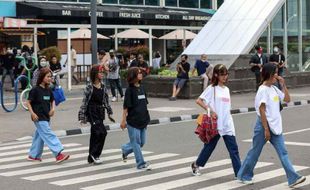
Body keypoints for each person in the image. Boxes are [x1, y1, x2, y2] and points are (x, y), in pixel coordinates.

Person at [237, 63, 306, 187]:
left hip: (276, 127)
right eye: (274, 73)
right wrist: (266, 129)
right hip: (264, 126)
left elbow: (287, 99)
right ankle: (244, 175)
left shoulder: (274, 88)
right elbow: (262, 110)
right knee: (255, 152)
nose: (277, 75)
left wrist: (283, 84)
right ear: (268, 74)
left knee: (283, 152)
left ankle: (293, 178)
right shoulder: (262, 90)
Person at [191, 64, 241, 177]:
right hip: (215, 124)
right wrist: (210, 110)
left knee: (234, 149)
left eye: (226, 74)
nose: (225, 77)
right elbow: (199, 100)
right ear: (216, 75)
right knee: (209, 147)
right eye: (222, 74)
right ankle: (196, 164)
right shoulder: (212, 88)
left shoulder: (227, 89)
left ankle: (239, 173)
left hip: (227, 124)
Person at [27, 67, 70, 163]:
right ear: (42, 77)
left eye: (50, 77)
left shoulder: (49, 90)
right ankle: (58, 153)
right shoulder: (35, 90)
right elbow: (28, 102)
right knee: (49, 135)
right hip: (38, 118)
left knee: (40, 136)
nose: (50, 78)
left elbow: (52, 100)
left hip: (46, 117)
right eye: (48, 76)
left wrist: (53, 109)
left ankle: (33, 156)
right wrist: (32, 113)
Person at [78, 65, 115, 164]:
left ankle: (92, 156)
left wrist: (109, 113)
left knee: (96, 134)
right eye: (100, 72)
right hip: (91, 112)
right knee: (101, 132)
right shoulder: (89, 87)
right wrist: (82, 116)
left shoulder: (103, 87)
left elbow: (106, 101)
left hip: (100, 111)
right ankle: (95, 155)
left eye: (102, 72)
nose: (102, 74)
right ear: (95, 74)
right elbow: (84, 102)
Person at [120, 67, 151, 170]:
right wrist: (123, 120)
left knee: (141, 142)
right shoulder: (129, 90)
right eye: (138, 73)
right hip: (133, 121)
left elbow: (144, 103)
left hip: (143, 120)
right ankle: (140, 163)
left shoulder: (142, 87)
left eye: (141, 73)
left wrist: (147, 118)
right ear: (133, 76)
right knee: (136, 143)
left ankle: (125, 149)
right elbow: (126, 107)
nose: (141, 74)